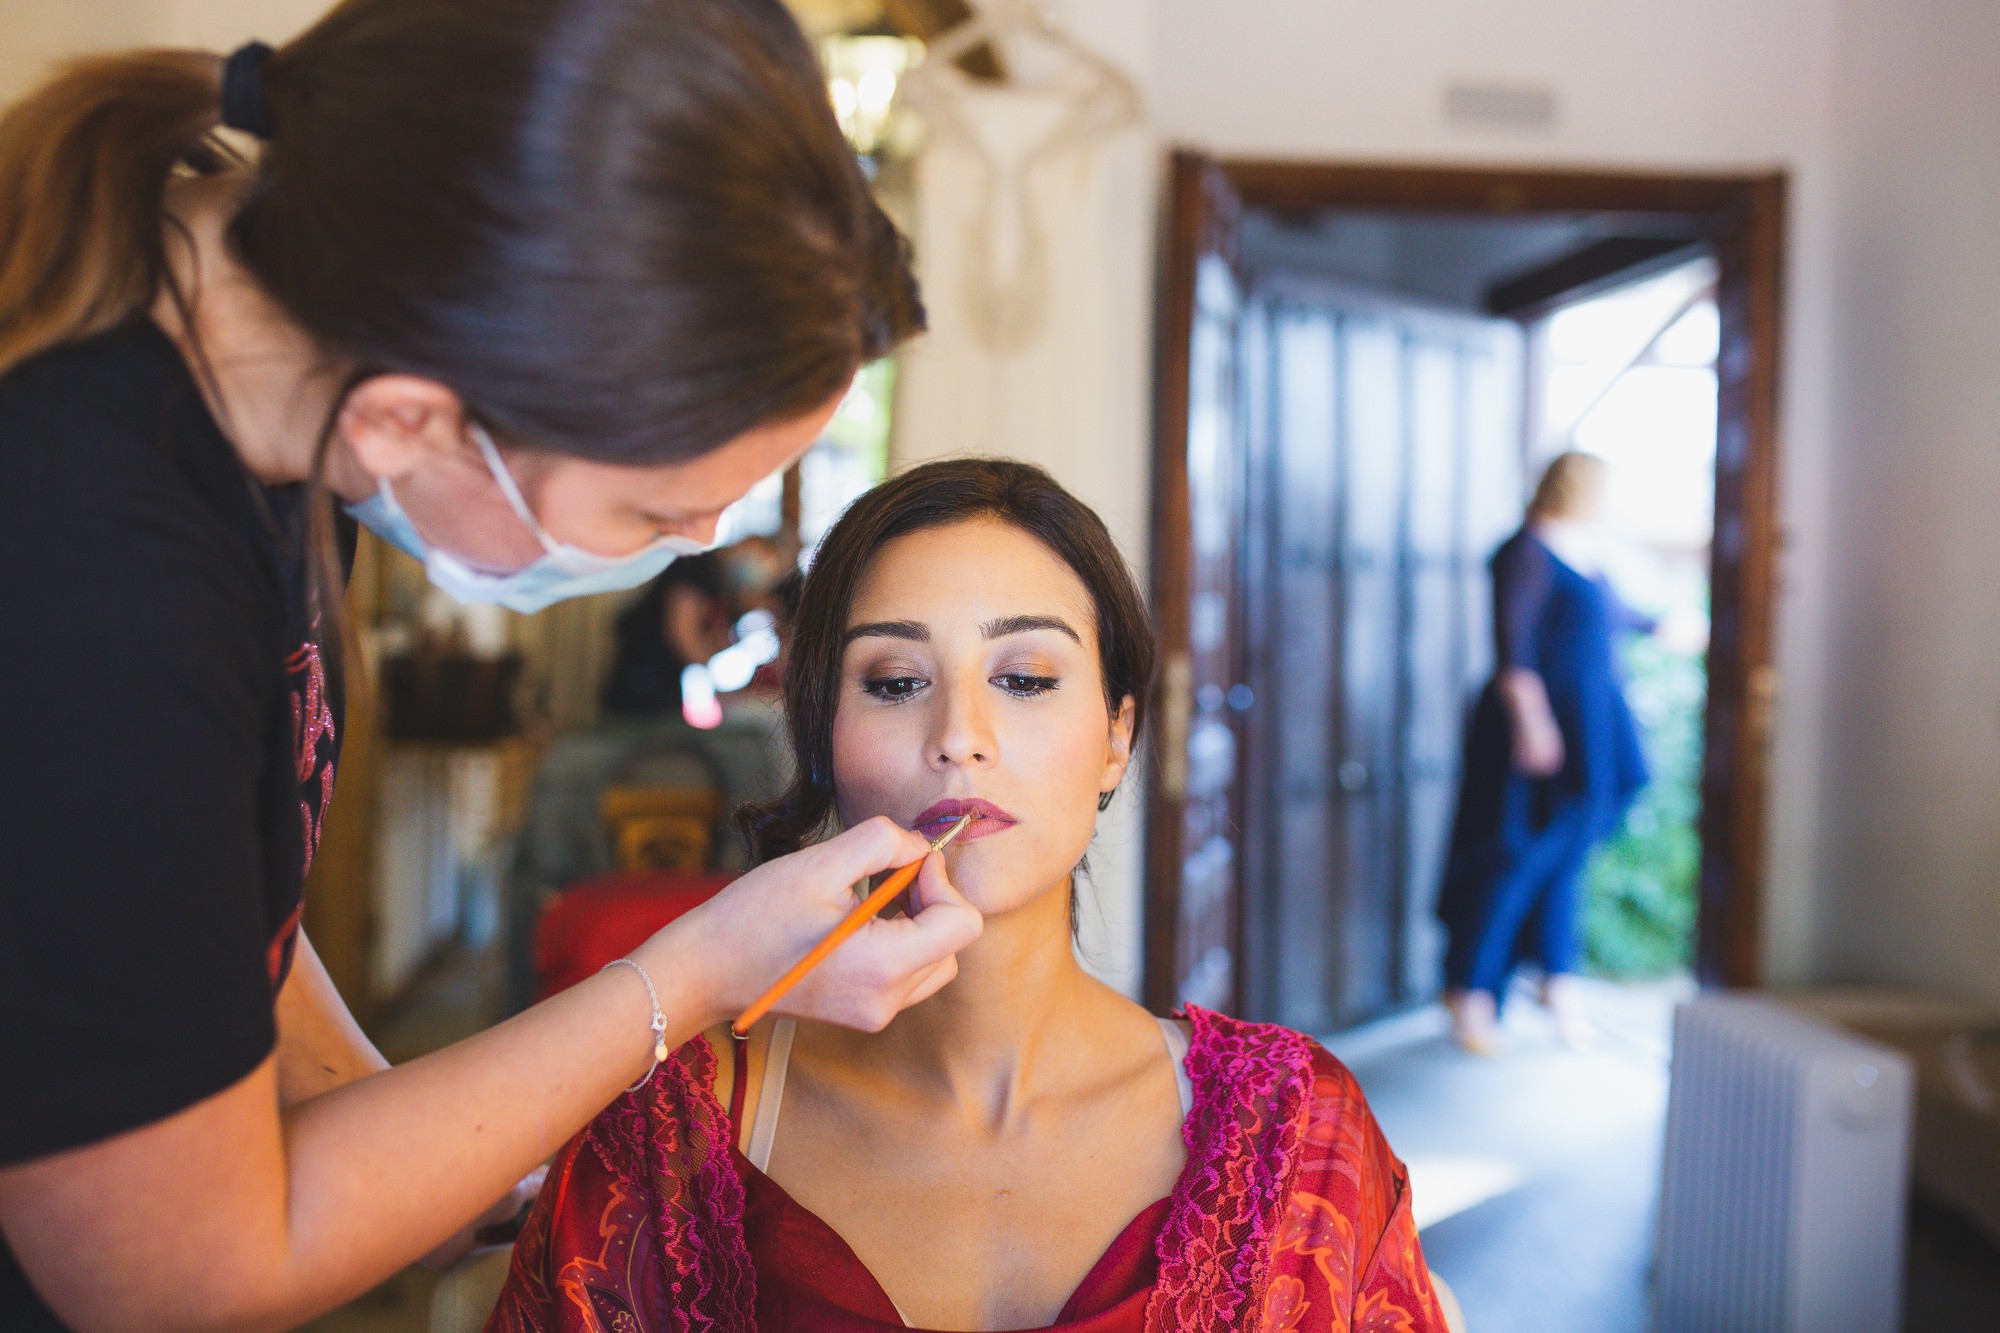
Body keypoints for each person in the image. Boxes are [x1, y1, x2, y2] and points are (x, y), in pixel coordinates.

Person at [0, 5, 987, 1330]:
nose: (697, 545)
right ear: (415, 417)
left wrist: (377, 1109)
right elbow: (179, 1277)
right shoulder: (82, 568)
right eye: (655, 513)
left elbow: (198, 912)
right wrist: (696, 971)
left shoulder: (281, 434)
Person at [489, 460, 1449, 1333]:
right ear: (823, 736)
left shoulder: (1301, 1138)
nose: (960, 735)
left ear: (1118, 735)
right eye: (898, 680)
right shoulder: (664, 1143)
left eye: (1026, 677)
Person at [1436, 451, 1655, 1055]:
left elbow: (1608, 622)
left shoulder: (1586, 549)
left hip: (1592, 721)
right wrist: (1534, 726)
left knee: (1565, 855)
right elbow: (1516, 650)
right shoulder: (1525, 551)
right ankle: (1472, 993)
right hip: (1540, 724)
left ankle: (1557, 981)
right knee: (1515, 855)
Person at [601, 554, 736, 718]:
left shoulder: (715, 576)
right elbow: (682, 634)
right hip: (647, 686)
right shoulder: (696, 565)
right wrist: (721, 681)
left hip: (654, 683)